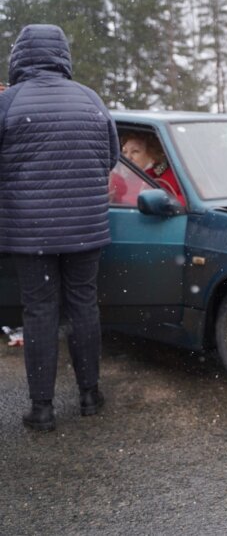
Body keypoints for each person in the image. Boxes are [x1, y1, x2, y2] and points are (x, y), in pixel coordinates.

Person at [0, 24, 120, 432]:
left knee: (40, 311)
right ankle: (89, 395)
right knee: (84, 305)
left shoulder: (9, 102)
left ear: (19, 56)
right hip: (85, 228)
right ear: (62, 55)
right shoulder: (90, 98)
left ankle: (43, 408)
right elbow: (111, 156)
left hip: (29, 231)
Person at [120, 130, 186, 205]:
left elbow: (186, 202)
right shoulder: (118, 177)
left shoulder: (168, 179)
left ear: (152, 155)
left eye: (135, 151)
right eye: (124, 152)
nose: (127, 157)